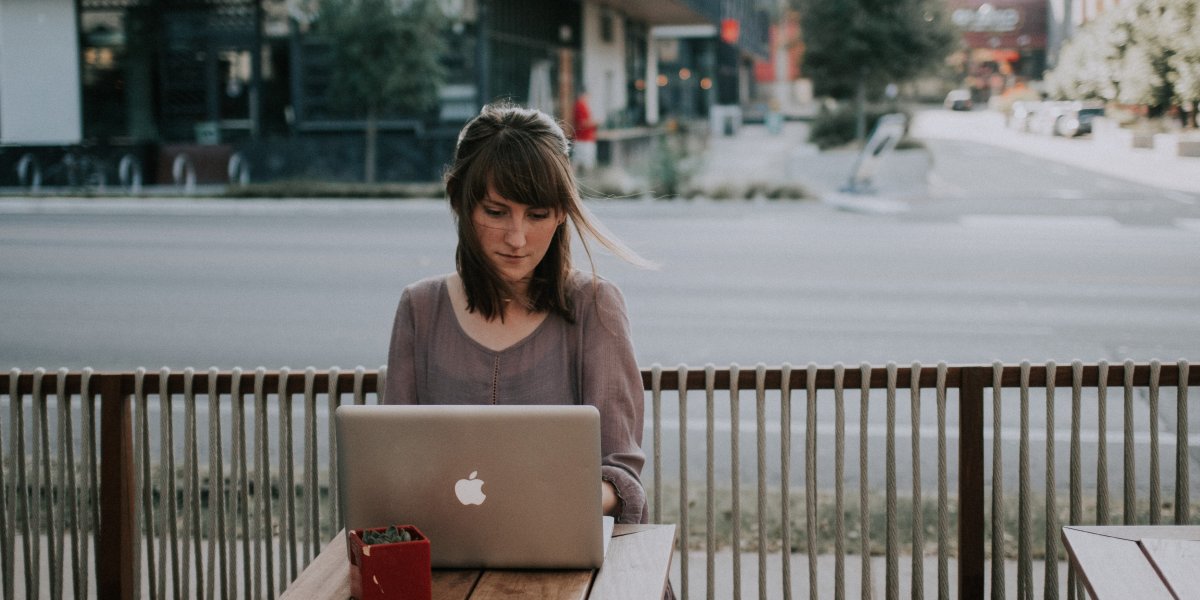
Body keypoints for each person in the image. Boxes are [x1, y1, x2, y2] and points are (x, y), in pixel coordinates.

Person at [384, 103, 651, 524]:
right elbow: (392, 464)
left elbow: (621, 477)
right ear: (460, 202)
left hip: (568, 563)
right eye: (496, 211)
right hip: (447, 558)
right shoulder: (420, 308)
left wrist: (542, 502)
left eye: (538, 214)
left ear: (562, 213)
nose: (517, 237)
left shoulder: (595, 305)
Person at [572, 89, 599, 175]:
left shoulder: (580, 105)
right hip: (583, 139)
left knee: (578, 161)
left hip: (584, 138)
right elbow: (583, 123)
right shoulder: (580, 106)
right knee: (585, 162)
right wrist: (595, 122)